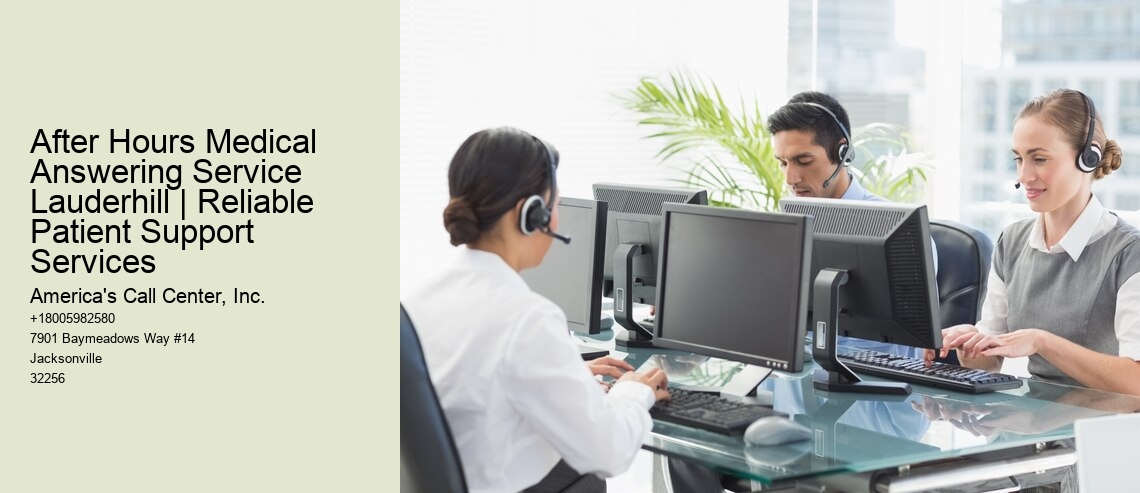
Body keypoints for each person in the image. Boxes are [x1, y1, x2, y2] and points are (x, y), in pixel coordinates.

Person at [403, 127, 671, 493]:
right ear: (531, 215)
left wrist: (564, 374)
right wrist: (633, 391)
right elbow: (609, 453)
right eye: (554, 205)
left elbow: (466, 385)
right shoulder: (527, 319)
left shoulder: (420, 299)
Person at [928, 89, 1140, 397]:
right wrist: (971, 344)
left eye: (1039, 159)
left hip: (1096, 425)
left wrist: (1042, 342)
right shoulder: (1012, 242)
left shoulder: (1129, 253)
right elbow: (989, 364)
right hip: (1031, 417)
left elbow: (1136, 381)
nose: (1024, 176)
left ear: (1088, 158)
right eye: (1019, 159)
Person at [767, 91, 934, 359]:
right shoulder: (787, 229)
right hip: (802, 372)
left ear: (841, 152)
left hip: (876, 378)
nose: (790, 177)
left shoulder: (896, 228)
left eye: (803, 161)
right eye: (782, 163)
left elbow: (896, 339)